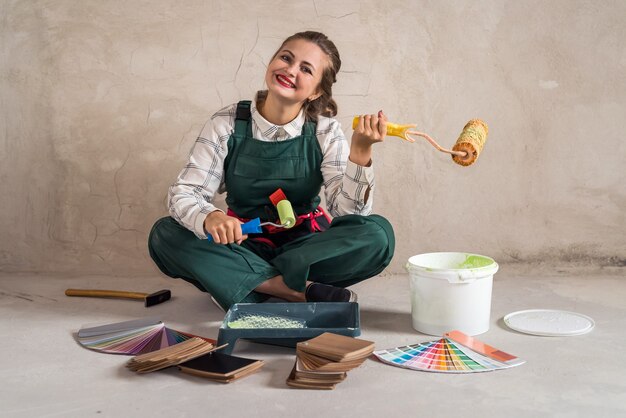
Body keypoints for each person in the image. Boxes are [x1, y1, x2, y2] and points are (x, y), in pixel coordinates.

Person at [148, 31, 395, 311]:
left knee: (379, 235)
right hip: (240, 244)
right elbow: (185, 192)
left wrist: (360, 152)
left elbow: (349, 215)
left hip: (304, 248)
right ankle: (292, 289)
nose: (290, 70)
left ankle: (246, 282)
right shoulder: (226, 123)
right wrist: (211, 217)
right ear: (272, 61)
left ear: (316, 91)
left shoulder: (325, 131)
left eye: (305, 69)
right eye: (286, 58)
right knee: (164, 234)